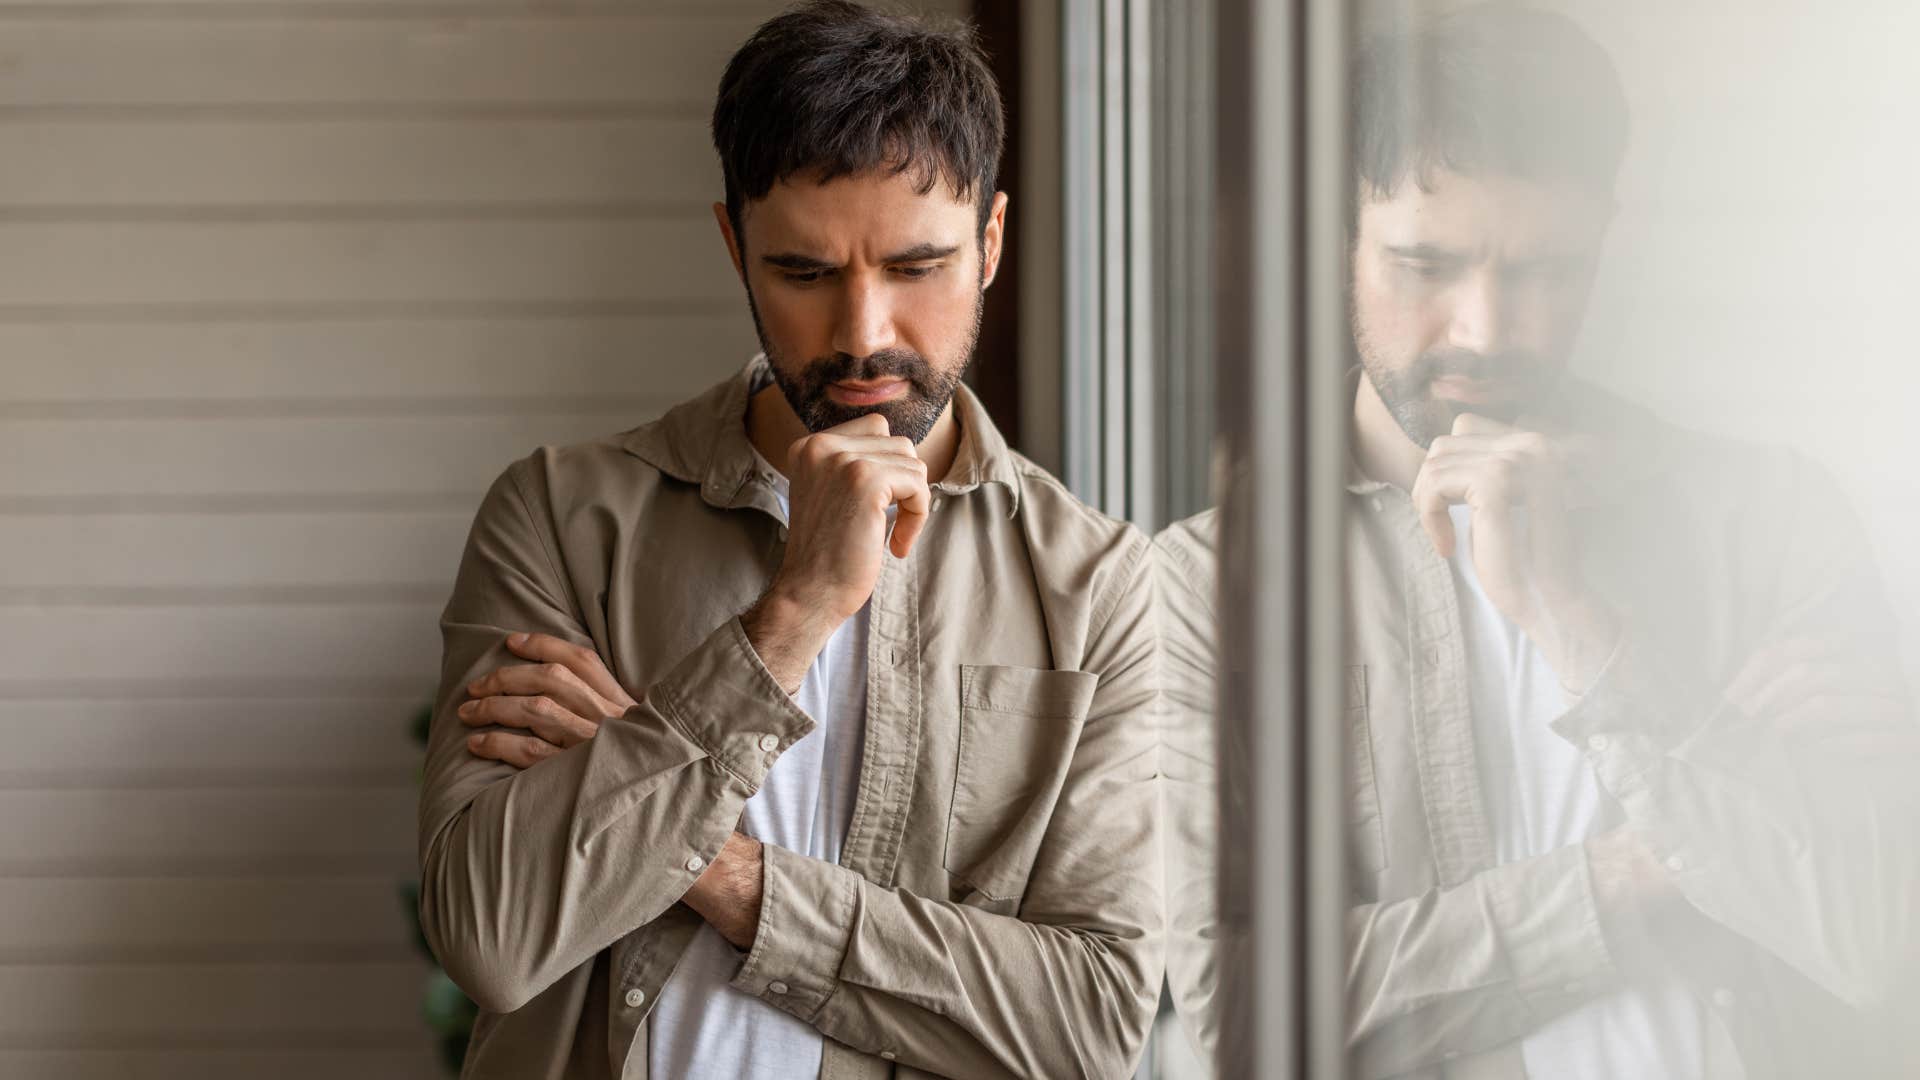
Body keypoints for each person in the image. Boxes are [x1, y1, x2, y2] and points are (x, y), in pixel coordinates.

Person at [1159, 6, 1920, 1077]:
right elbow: (1224, 1017)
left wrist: (1576, 620)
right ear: (1336, 236)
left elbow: (1876, 939)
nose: (1484, 327)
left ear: (1607, 236)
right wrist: (1649, 870)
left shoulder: (1774, 518)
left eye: (1548, 271)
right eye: (1427, 262)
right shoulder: (1196, 592)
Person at [414, 4, 1163, 1077]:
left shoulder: (1095, 583)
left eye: (917, 268)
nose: (863, 334)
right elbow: (491, 935)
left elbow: (1090, 1025)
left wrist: (716, 869)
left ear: (992, 242)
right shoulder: (562, 516)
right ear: (735, 246)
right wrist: (795, 611)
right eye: (804, 274)